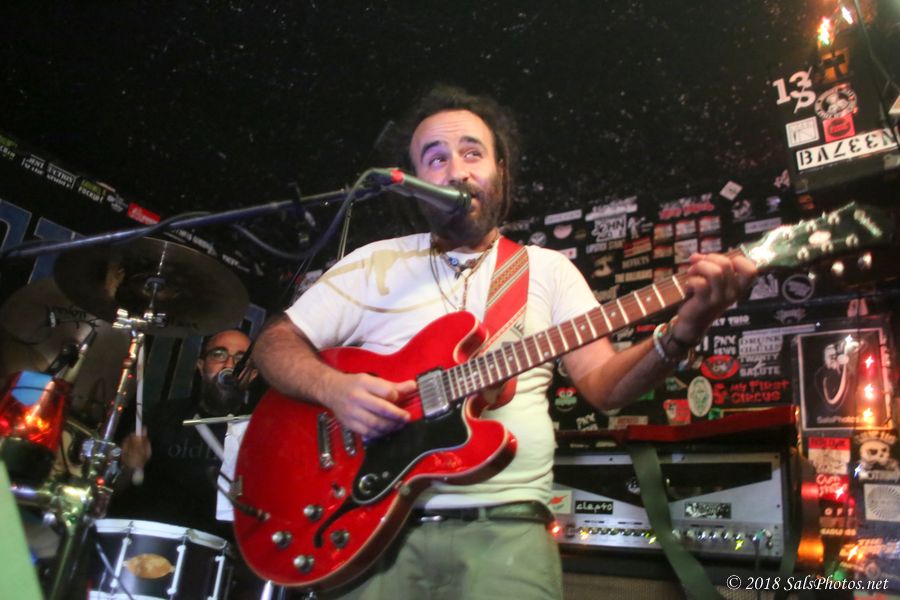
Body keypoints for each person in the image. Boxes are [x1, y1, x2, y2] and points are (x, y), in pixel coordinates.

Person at [252, 84, 757, 600]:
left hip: (508, 531)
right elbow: (273, 343)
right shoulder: (373, 263)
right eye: (436, 159)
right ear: (413, 182)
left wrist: (685, 329)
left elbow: (606, 387)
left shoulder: (548, 270)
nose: (457, 171)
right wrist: (334, 389)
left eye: (472, 153)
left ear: (500, 171)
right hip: (368, 528)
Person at [109, 328, 261, 597]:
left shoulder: (259, 433)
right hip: (141, 549)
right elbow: (110, 493)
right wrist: (128, 468)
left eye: (241, 359)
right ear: (201, 366)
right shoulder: (161, 416)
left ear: (252, 374)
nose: (230, 365)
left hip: (209, 563)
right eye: (219, 354)